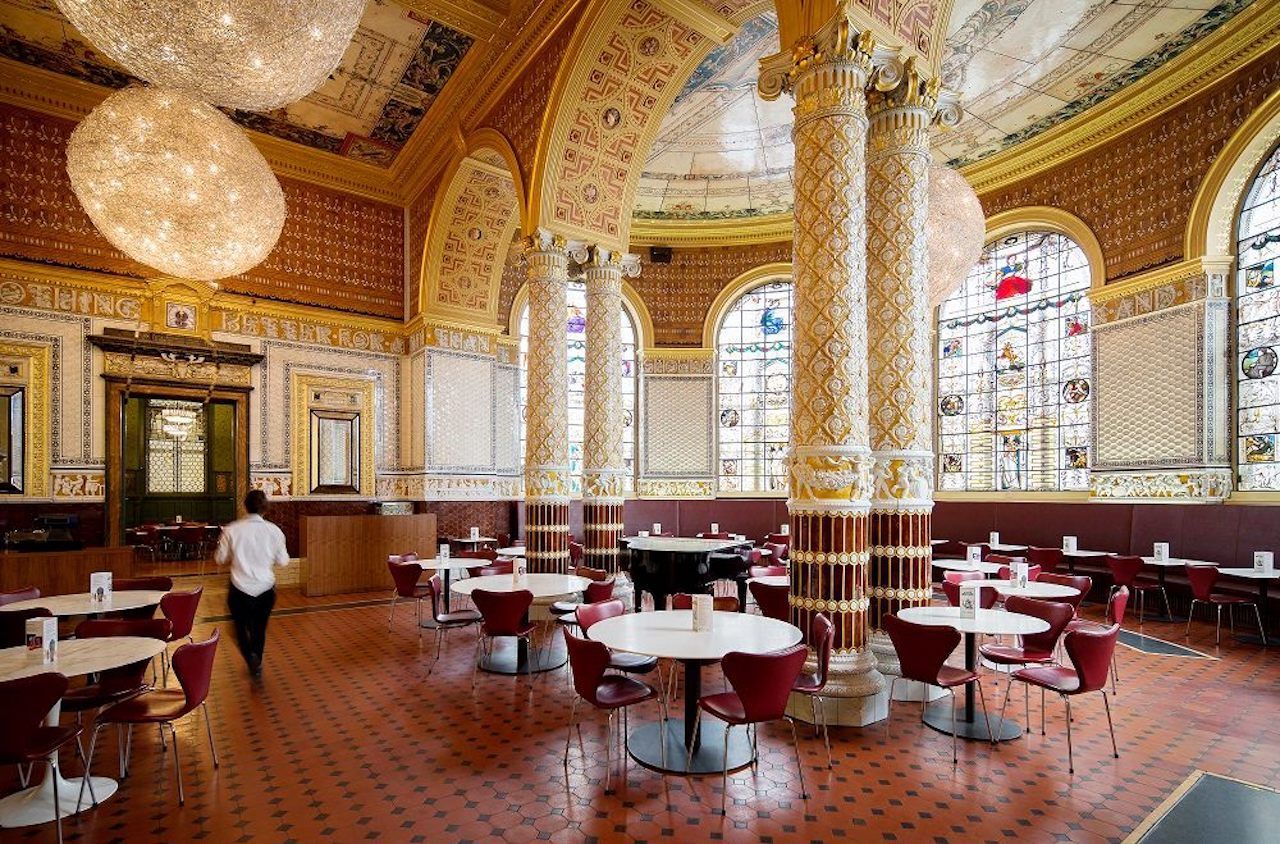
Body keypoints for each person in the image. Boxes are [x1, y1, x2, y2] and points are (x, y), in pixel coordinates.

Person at [215, 489, 289, 678]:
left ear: (245, 506)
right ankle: (256, 660)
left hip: (239, 589)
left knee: (240, 628)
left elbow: (220, 558)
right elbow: (283, 561)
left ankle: (250, 657)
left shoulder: (231, 529)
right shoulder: (275, 531)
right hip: (265, 588)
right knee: (259, 628)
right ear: (265, 508)